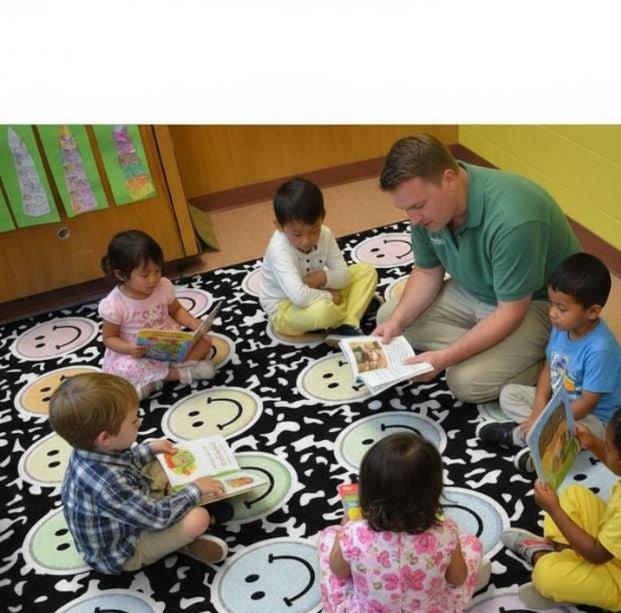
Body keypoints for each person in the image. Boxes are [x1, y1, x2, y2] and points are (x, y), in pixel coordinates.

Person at [373, 133, 581, 403]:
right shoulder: (427, 212)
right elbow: (427, 271)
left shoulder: (513, 220)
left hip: (536, 303)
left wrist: (446, 358)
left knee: (465, 383)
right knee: (389, 320)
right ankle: (491, 348)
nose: (413, 219)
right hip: (477, 288)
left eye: (418, 206)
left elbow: (510, 311)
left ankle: (544, 358)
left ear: (449, 179)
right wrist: (398, 322)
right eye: (406, 209)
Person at [502, 391, 621, 613]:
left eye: (608, 447)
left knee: (546, 576)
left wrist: (553, 509)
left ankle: (544, 555)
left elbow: (597, 555)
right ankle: (568, 559)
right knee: (573, 494)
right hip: (618, 541)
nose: (605, 449)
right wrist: (593, 443)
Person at [317, 432, 489, 613]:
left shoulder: (354, 533)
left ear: (367, 491)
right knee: (472, 544)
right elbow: (457, 579)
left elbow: (339, 572)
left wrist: (344, 528)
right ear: (434, 490)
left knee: (328, 538)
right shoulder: (446, 532)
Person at [49, 372, 231, 574]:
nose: (140, 422)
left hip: (131, 514)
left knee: (160, 458)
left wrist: (149, 449)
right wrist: (194, 490)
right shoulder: (109, 483)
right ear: (105, 438)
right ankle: (186, 540)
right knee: (198, 518)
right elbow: (156, 518)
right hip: (127, 550)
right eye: (134, 421)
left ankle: (177, 508)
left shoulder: (91, 450)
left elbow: (125, 460)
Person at [478, 252, 621, 474]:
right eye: (551, 304)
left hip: (594, 418)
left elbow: (587, 404)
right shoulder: (561, 327)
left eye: (562, 309)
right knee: (509, 394)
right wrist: (539, 409)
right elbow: (549, 367)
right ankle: (538, 440)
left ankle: (524, 439)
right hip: (557, 403)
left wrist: (545, 419)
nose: (553, 314)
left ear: (593, 312)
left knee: (580, 432)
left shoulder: (601, 350)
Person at [98, 229, 217, 400]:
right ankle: (183, 374)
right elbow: (109, 338)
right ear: (121, 275)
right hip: (138, 354)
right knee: (124, 369)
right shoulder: (115, 304)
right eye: (145, 275)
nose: (153, 279)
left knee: (205, 341)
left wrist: (193, 324)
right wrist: (129, 348)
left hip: (169, 346)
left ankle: (153, 379)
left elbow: (176, 310)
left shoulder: (163, 286)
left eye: (157, 271)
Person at [259, 177, 378, 340]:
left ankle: (345, 324)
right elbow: (299, 297)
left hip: (317, 291)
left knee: (366, 271)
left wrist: (322, 277)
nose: (306, 241)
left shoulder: (326, 234)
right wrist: (330, 296)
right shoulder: (278, 249)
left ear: (323, 217)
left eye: (314, 230)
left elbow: (343, 276)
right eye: (297, 234)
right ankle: (351, 313)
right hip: (286, 307)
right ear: (279, 226)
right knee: (323, 312)